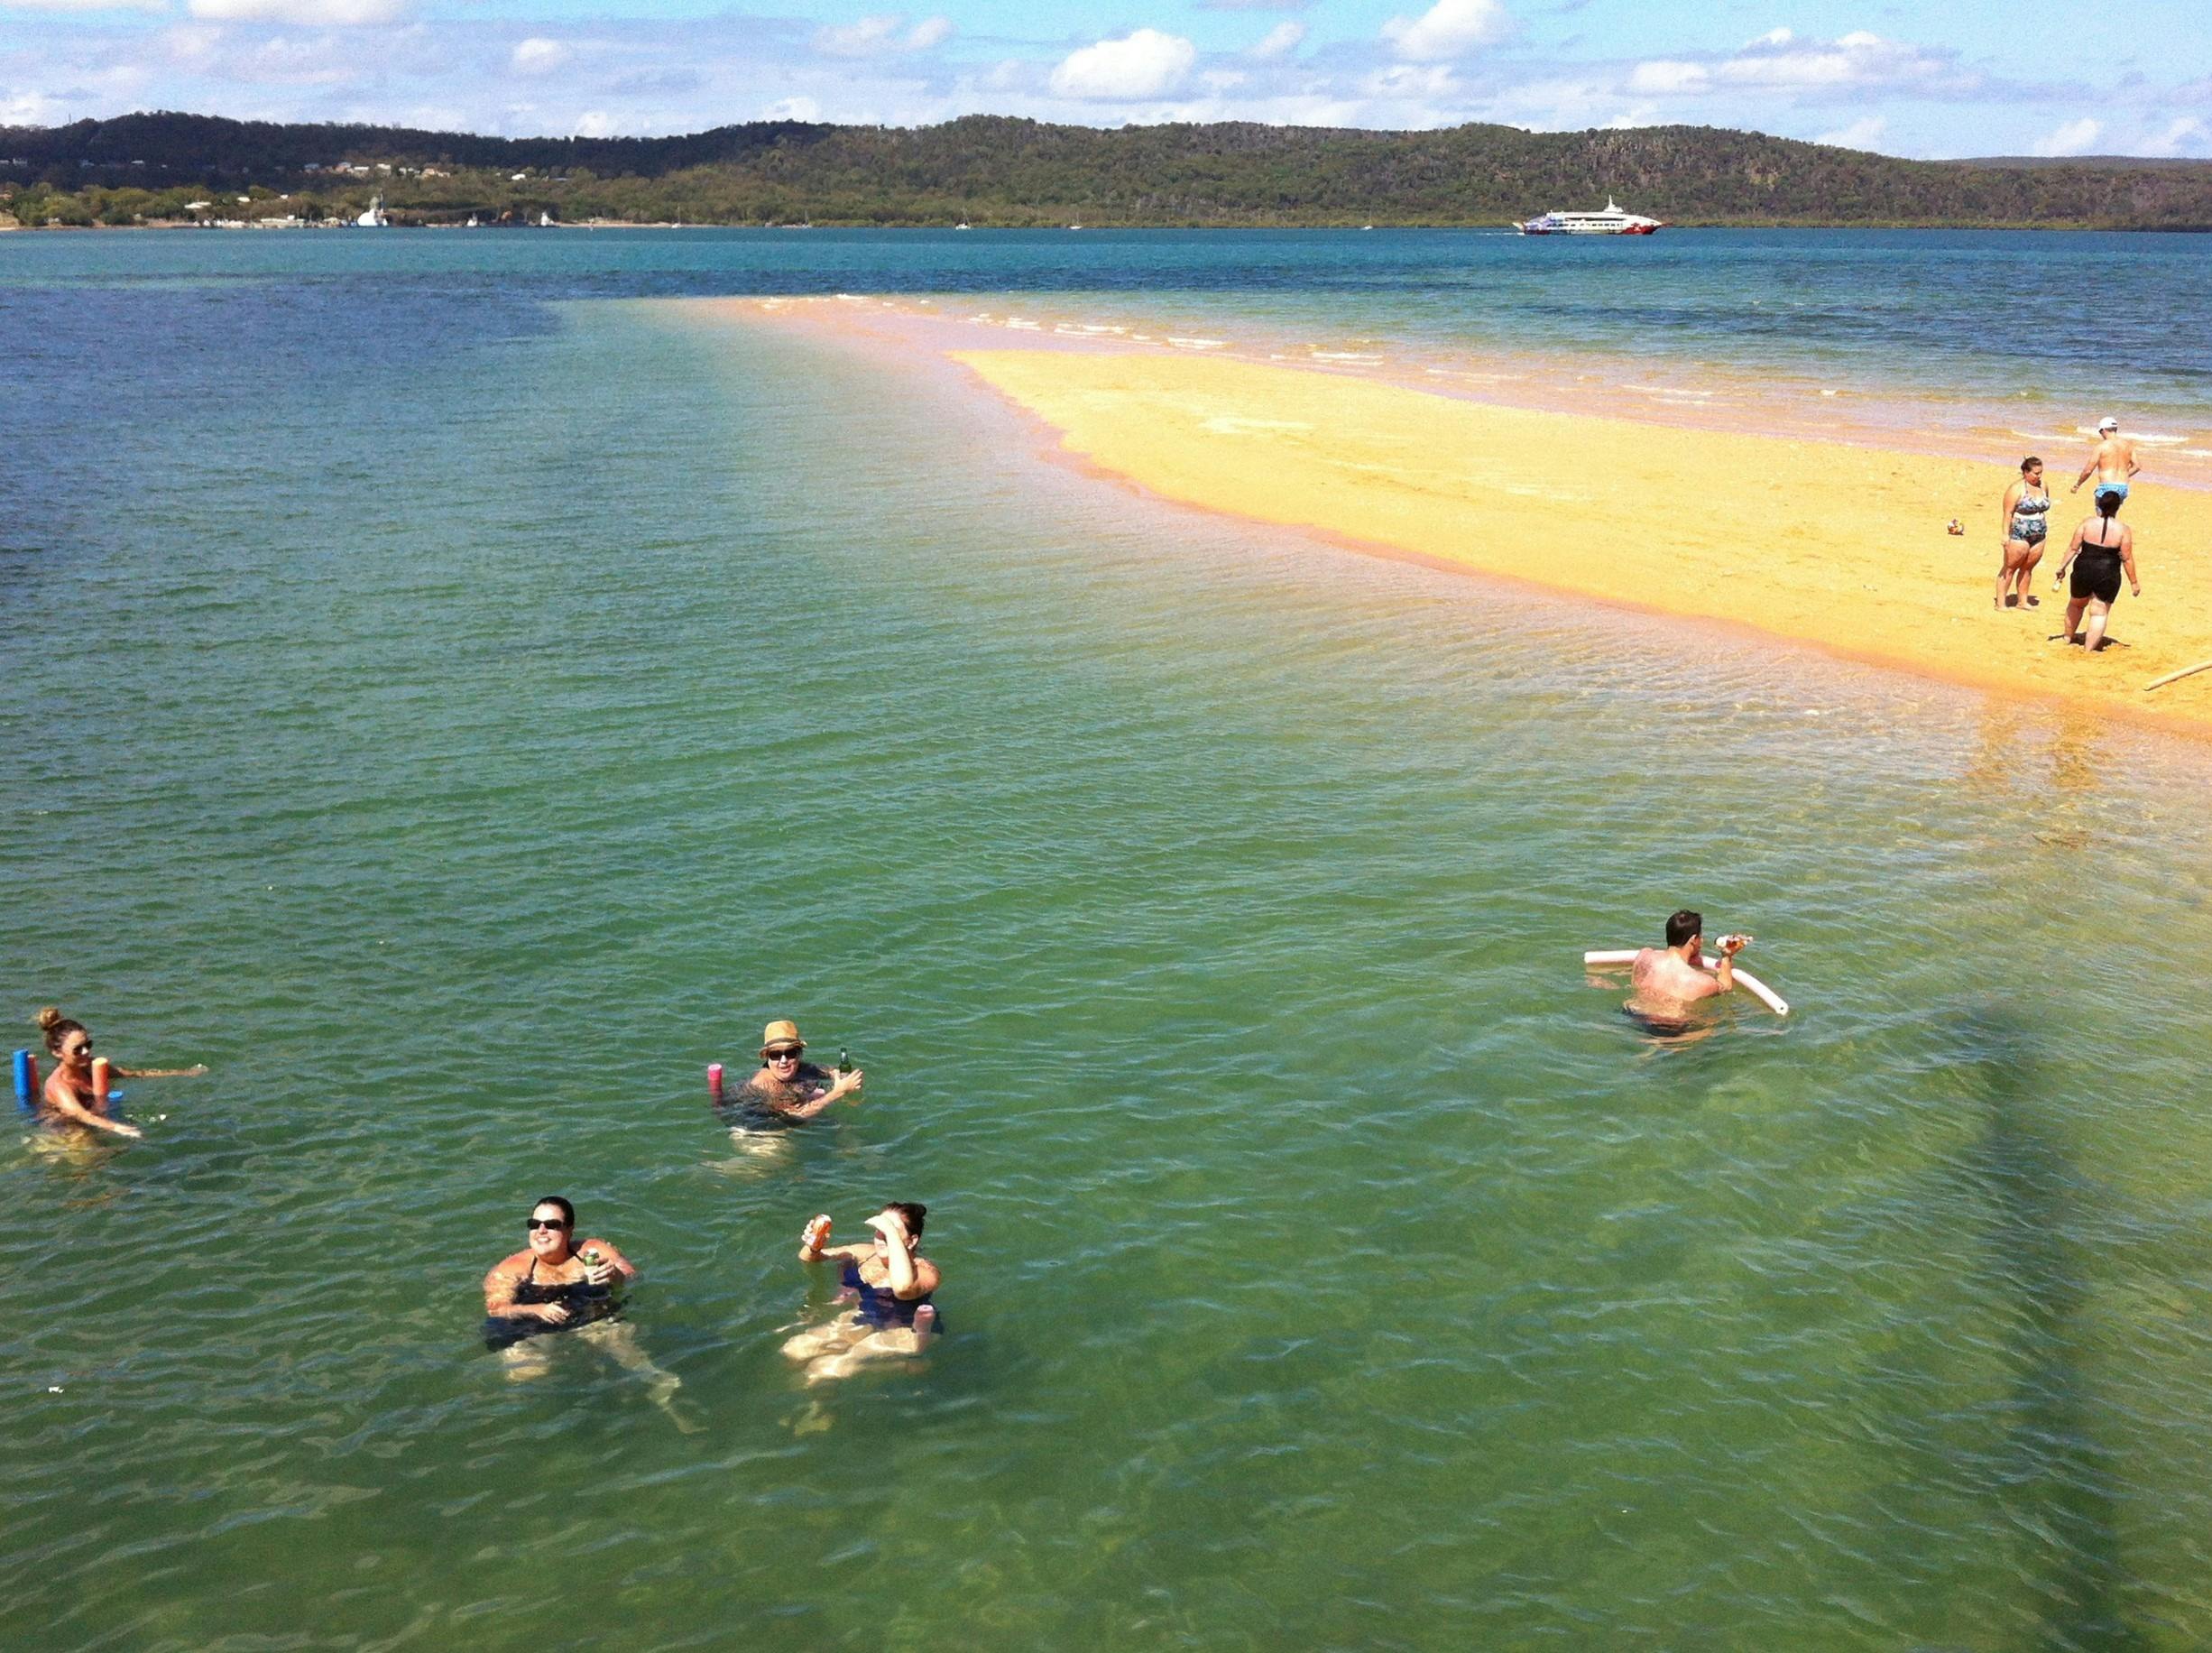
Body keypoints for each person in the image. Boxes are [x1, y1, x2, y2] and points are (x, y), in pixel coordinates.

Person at [783, 1203, 940, 1384]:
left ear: (912, 1241)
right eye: (879, 1230)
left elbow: (903, 1289)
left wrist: (890, 1233)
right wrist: (813, 1245)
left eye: (891, 1232)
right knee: (795, 1349)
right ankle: (823, 1403)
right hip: (866, 1317)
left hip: (905, 1331)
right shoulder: (865, 1252)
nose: (881, 1238)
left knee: (822, 1369)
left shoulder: (926, 1270)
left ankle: (905, 1364)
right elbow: (810, 1259)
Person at [32, 1006, 205, 1140]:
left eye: (88, 1045)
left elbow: (133, 1074)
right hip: (63, 1126)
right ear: (57, 1052)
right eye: (77, 1049)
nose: (86, 1052)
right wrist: (118, 1128)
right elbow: (80, 1114)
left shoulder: (90, 1066)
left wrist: (182, 1073)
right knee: (91, 1158)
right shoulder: (59, 1084)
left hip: (94, 1118)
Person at [2052, 490, 2140, 653]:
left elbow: (2073, 548)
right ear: (2118, 507)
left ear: (2098, 504)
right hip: (2108, 571)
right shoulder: (2123, 530)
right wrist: (2134, 582)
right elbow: (2127, 558)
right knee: (2099, 613)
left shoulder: (2087, 523)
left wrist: (2061, 567)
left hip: (2084, 567)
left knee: (2076, 604)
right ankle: (2088, 650)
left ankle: (2067, 637)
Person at [730, 1020, 862, 1125]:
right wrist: (838, 1092)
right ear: (767, 1057)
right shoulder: (766, 1085)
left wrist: (838, 1075)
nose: (784, 1061)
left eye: (790, 1053)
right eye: (776, 1054)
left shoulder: (799, 1067)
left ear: (799, 1054)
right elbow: (795, 1116)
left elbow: (825, 1071)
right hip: (760, 1134)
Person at [1627, 910, 1747, 1024]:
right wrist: (1726, 956)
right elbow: (1726, 986)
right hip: (1670, 1027)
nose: (1702, 941)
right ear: (1694, 940)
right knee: (1712, 1022)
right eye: (1700, 937)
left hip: (1633, 1014)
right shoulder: (1702, 982)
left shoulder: (1644, 956)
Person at [1995, 457, 2051, 610]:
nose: (2039, 476)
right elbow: (2007, 513)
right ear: (2026, 472)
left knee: (2027, 568)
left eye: (2041, 473)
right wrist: (2006, 534)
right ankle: (2001, 602)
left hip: (2039, 533)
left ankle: (2022, 601)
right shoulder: (2016, 489)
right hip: (2019, 533)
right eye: (2035, 473)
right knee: (2010, 567)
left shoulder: (2044, 486)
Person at [2071, 417, 2140, 513]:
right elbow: (2137, 466)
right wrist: (2124, 475)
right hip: (2123, 487)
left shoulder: (2101, 447)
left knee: (2101, 517)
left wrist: (2077, 485)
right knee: (2112, 515)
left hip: (2107, 487)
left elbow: (2088, 471)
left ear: (2103, 430)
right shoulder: (2128, 445)